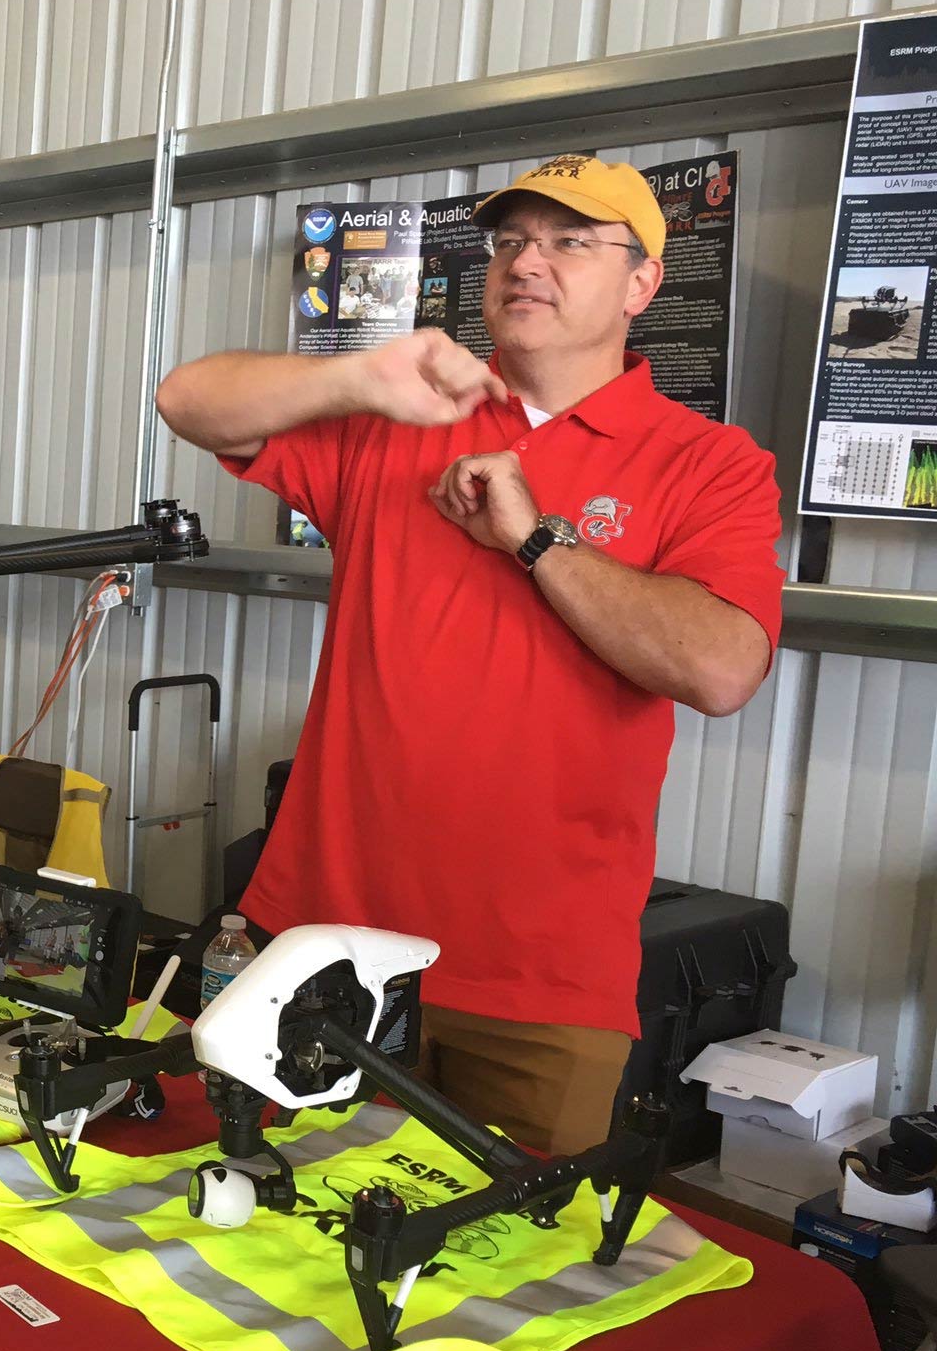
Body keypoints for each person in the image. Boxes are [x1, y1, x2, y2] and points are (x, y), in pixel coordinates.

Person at [156, 154, 785, 1155]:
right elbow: (186, 398)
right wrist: (354, 373)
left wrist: (538, 540)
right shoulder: (396, 422)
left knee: (511, 1276)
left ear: (640, 283)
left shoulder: (706, 463)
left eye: (570, 242)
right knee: (265, 1238)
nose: (528, 262)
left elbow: (718, 668)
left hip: (538, 983)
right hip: (322, 944)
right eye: (510, 241)